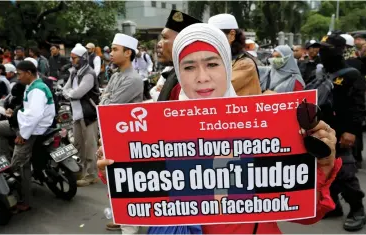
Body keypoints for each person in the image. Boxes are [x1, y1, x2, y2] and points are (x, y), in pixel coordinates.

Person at [98, 23, 342, 234]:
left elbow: (305, 214)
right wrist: (114, 168)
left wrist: (322, 166)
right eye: (189, 67)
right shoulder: (151, 132)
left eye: (212, 64)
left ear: (228, 65)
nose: (202, 77)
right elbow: (138, 201)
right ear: (178, 72)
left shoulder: (266, 127)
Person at [319, 33, 366, 232]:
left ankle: (357, 210)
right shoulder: (322, 73)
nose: (322, 53)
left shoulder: (351, 74)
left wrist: (351, 131)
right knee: (326, 171)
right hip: (324, 131)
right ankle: (334, 206)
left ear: (339, 50)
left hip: (343, 133)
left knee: (345, 172)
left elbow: (358, 106)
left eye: (326, 49)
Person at [98, 33, 142, 233]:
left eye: (115, 49)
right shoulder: (116, 75)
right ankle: (120, 215)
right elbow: (104, 102)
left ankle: (129, 225)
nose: (111, 53)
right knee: (114, 181)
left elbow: (109, 106)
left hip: (127, 137)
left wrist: (105, 99)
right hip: (111, 134)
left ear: (128, 53)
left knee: (126, 181)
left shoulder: (134, 79)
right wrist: (106, 100)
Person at [0, 61, 56, 212]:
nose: (18, 77)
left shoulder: (37, 90)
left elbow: (33, 116)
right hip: (25, 124)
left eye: (19, 73)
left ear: (29, 73)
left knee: (20, 165)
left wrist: (22, 135)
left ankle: (25, 199)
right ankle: (3, 159)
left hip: (32, 129)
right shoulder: (34, 85)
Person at [63, 44, 100, 187]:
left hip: (88, 114)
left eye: (74, 58)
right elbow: (66, 89)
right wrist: (71, 94)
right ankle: (82, 171)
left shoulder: (89, 73)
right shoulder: (74, 72)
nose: (72, 61)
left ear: (83, 58)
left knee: (90, 145)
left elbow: (78, 93)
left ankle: (91, 175)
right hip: (76, 113)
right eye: (71, 58)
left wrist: (70, 94)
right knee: (78, 144)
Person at [208, 13, 261, 97]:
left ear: (232, 35)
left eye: (215, 36)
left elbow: (217, 88)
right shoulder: (222, 59)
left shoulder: (245, 64)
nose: (210, 41)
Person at [156, 10, 201, 101]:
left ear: (182, 42)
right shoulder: (175, 73)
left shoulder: (191, 82)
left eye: (164, 38)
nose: (159, 44)